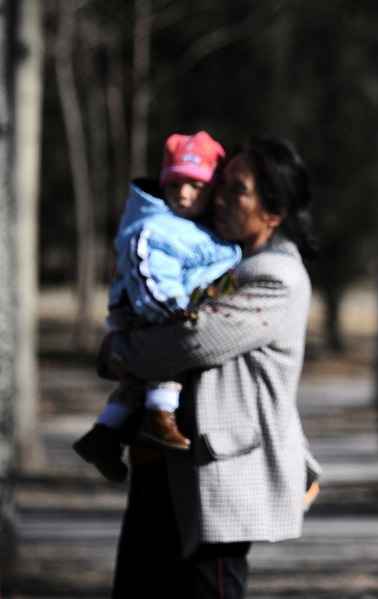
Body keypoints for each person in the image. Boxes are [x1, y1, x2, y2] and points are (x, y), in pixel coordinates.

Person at [97, 137, 321, 599]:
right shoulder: (219, 258)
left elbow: (190, 340)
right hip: (161, 461)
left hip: (217, 474)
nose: (217, 197)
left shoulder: (275, 276)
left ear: (272, 211)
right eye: (220, 184)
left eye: (237, 190)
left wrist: (117, 349)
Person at [74, 131, 240, 483]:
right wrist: (172, 311)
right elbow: (152, 275)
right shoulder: (156, 228)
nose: (184, 194)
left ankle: (104, 434)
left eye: (196, 186)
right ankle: (160, 419)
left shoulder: (193, 229)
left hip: (162, 310)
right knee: (166, 358)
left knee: (134, 382)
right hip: (153, 311)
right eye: (176, 184)